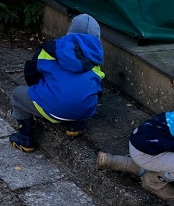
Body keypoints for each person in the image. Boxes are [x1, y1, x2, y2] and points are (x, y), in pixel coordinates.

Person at [9, 14, 104, 152]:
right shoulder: (94, 58)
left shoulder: (51, 48)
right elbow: (98, 90)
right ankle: (74, 125)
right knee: (78, 90)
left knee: (17, 94)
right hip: (85, 111)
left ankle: (24, 140)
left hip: (53, 109)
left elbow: (31, 76)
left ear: (70, 31)